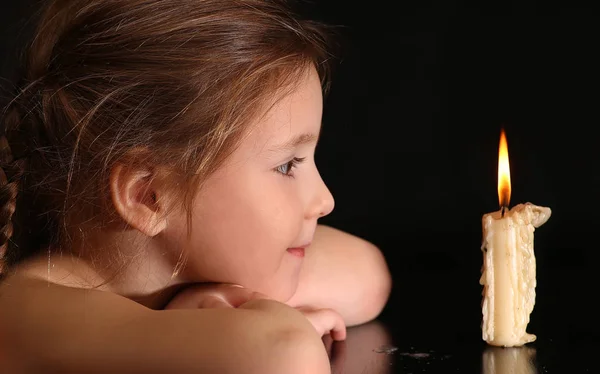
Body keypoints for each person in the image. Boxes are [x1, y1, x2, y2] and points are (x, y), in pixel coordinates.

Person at [0, 0, 391, 372]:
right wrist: (241, 317)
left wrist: (196, 306)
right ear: (148, 196)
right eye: (288, 165)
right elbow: (286, 355)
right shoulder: (33, 313)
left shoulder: (170, 265)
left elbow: (367, 275)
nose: (325, 200)